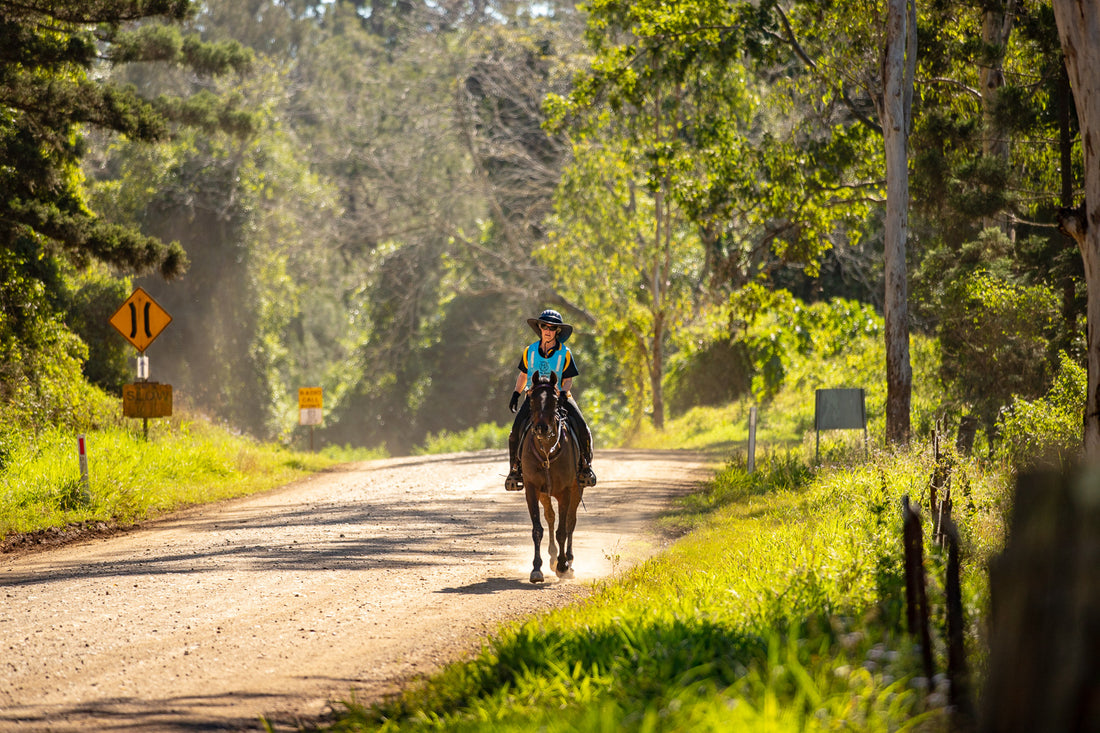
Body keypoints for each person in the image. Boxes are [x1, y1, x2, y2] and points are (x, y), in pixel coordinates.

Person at [505, 309, 597, 491]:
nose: (548, 330)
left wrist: (563, 393)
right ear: (539, 328)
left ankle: (585, 466)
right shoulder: (529, 351)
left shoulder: (565, 353)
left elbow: (569, 378)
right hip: (534, 397)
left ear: (557, 331)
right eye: (544, 326)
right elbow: (523, 375)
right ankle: (515, 469)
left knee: (581, 426)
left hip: (559, 397)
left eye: (552, 327)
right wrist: (516, 393)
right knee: (515, 431)